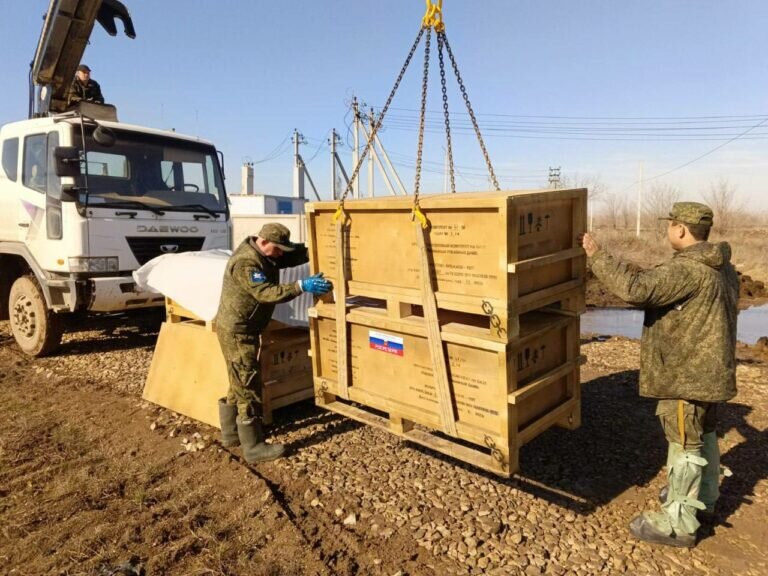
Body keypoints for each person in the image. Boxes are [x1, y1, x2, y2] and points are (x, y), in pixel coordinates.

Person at [582, 201, 738, 548]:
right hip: (711, 375)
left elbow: (636, 289)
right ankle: (705, 500)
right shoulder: (722, 267)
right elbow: (656, 283)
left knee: (683, 443)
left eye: (670, 225)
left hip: (687, 377)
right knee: (704, 435)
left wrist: (596, 255)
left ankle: (678, 522)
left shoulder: (688, 270)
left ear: (680, 229)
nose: (667, 230)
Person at [215, 223, 332, 463]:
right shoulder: (247, 263)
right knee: (248, 383)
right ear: (264, 241)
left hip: (245, 328)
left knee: (238, 379)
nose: (281, 255)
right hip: (238, 332)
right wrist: (301, 285)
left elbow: (293, 254)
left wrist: (323, 244)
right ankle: (254, 447)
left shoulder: (265, 253)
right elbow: (266, 293)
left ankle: (230, 435)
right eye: (278, 249)